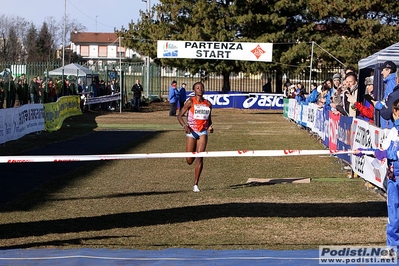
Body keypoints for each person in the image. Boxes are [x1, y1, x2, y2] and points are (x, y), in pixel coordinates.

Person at [354, 99, 399, 255]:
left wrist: (387, 153)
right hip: (393, 178)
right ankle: (393, 248)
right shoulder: (393, 132)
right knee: (393, 216)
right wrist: (364, 151)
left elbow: (391, 153)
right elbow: (381, 150)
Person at [177, 82, 213, 192]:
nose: (200, 89)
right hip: (191, 132)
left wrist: (210, 126)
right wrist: (184, 126)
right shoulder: (190, 102)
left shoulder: (208, 104)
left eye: (202, 87)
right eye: (197, 88)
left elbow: (209, 119)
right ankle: (190, 160)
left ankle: (196, 184)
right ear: (194, 90)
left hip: (202, 132)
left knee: (199, 157)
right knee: (189, 160)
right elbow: (179, 115)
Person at [376, 61, 397, 129]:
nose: (382, 72)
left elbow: (391, 102)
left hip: (389, 123)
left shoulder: (391, 83)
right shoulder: (390, 82)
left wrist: (377, 104)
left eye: (383, 70)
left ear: (389, 71)